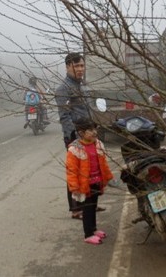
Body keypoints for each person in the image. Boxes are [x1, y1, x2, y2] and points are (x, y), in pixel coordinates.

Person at [55, 52, 106, 219]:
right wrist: (76, 139)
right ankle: (76, 209)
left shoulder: (83, 85)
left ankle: (90, 205)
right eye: (76, 66)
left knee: (92, 170)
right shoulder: (63, 88)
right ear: (68, 66)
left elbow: (88, 109)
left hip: (88, 135)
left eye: (82, 65)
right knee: (76, 173)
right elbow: (65, 116)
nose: (80, 69)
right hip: (75, 136)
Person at [65, 118, 114, 245]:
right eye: (90, 130)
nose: (94, 132)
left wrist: (107, 177)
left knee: (93, 206)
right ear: (81, 133)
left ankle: (94, 229)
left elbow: (103, 164)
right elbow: (71, 170)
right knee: (87, 209)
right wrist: (74, 186)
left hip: (97, 181)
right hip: (84, 185)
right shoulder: (74, 149)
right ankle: (88, 234)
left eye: (94, 129)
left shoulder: (97, 144)